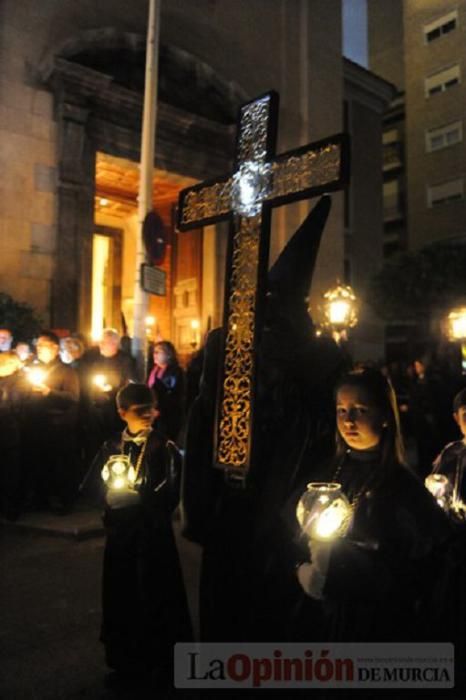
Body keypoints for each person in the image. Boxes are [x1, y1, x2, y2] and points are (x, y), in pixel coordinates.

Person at [295, 367, 451, 643]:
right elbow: (291, 532)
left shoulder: (401, 488)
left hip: (375, 626)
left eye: (360, 410)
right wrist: (302, 569)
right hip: (326, 621)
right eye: (342, 410)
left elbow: (419, 569)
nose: (349, 420)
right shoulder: (327, 473)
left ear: (385, 418)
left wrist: (341, 569)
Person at [92, 383, 192, 691]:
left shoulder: (164, 446)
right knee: (123, 595)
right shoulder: (111, 446)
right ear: (122, 413)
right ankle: (125, 659)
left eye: (151, 408)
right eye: (140, 411)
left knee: (155, 594)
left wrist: (142, 501)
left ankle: (161, 660)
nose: (149, 415)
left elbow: (172, 491)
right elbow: (97, 484)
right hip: (121, 537)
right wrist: (108, 501)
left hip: (152, 537)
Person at [22, 331, 80, 513]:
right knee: (40, 463)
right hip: (37, 424)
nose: (39, 349)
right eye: (37, 346)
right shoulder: (34, 368)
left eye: (43, 345)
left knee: (60, 465)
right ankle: (41, 499)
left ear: (55, 348)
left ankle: (65, 501)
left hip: (58, 426)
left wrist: (49, 392)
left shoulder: (66, 371)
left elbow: (72, 397)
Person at [81, 328, 138, 466]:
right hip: (95, 409)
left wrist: (111, 389)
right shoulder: (93, 358)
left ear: (115, 344)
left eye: (105, 342)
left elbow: (129, 383)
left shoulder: (125, 360)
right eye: (101, 341)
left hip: (113, 410)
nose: (101, 344)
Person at [0, 351, 26, 519]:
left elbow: (16, 406)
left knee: (10, 472)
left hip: (9, 432)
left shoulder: (18, 382)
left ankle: (11, 508)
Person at [147, 340, 185, 442]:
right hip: (154, 414)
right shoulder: (154, 370)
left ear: (168, 355)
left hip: (168, 416)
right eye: (154, 351)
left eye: (159, 351)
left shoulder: (176, 372)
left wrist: (159, 410)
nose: (155, 354)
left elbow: (175, 395)